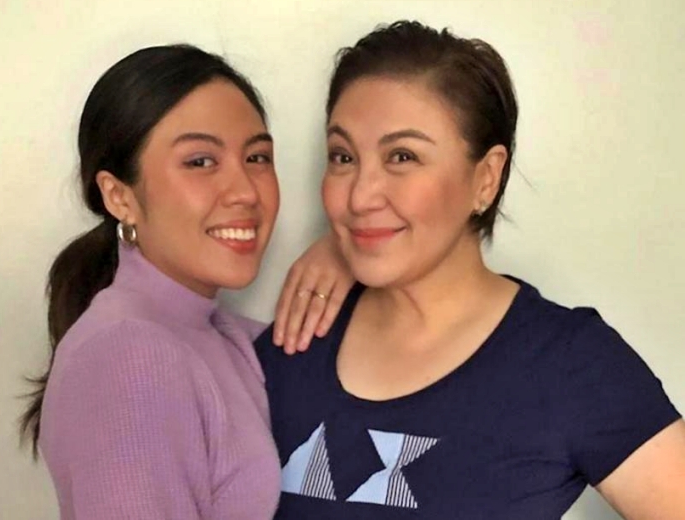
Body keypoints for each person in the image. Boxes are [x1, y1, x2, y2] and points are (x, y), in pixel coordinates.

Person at [256, 21, 685, 519]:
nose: (360, 196)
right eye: (343, 157)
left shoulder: (568, 363)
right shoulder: (293, 343)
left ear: (486, 178)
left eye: (402, 156)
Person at [18, 44, 351, 519]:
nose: (244, 191)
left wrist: (348, 250)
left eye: (257, 157)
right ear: (119, 196)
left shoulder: (223, 336)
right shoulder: (130, 356)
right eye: (200, 161)